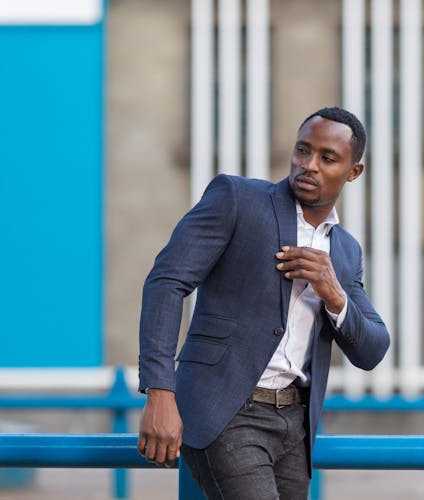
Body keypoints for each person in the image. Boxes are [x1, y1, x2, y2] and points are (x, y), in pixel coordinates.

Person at [137, 106, 390, 499]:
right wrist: (159, 391)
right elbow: (166, 281)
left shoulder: (344, 252)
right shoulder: (238, 199)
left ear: (353, 172)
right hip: (227, 413)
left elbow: (373, 349)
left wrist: (333, 292)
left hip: (295, 426)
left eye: (328, 158)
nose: (309, 165)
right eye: (303, 150)